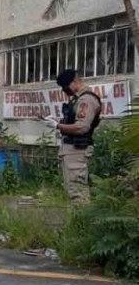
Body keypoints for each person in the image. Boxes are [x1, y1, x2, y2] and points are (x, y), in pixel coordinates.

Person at [39, 70, 101, 203]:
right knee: (71, 190)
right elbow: (73, 122)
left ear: (74, 82)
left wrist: (57, 126)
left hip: (77, 150)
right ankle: (78, 222)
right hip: (72, 150)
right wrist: (58, 122)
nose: (64, 90)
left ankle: (82, 222)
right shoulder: (78, 99)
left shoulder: (86, 99)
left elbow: (81, 127)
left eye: (65, 87)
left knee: (77, 192)